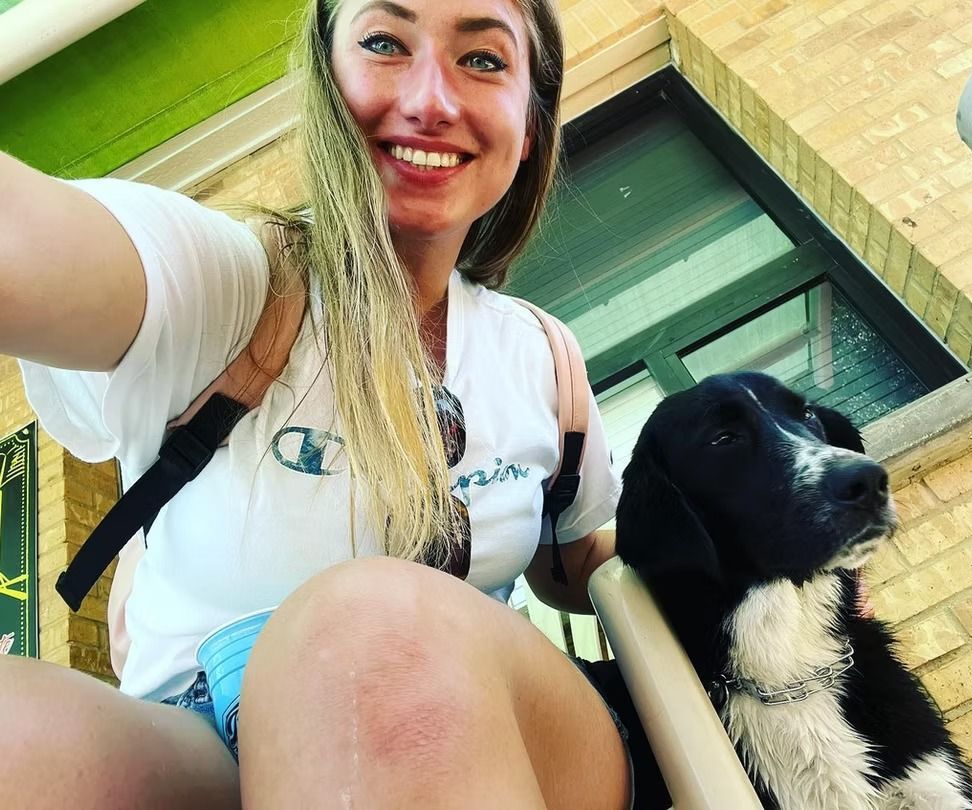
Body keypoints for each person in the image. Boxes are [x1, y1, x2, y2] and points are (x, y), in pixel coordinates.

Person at [0, 0, 638, 807]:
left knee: (367, 631)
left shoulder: (542, 359)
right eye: (383, 43)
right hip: (198, 742)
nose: (431, 100)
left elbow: (573, 561)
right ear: (322, 80)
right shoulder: (229, 287)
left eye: (482, 59)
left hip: (492, 730)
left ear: (532, 123)